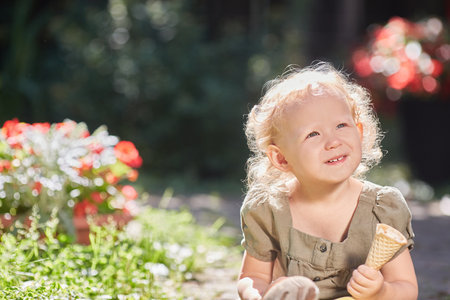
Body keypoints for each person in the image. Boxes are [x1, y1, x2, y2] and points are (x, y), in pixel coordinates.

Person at [237, 62, 418, 300]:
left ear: (360, 131)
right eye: (313, 134)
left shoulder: (382, 210)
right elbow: (253, 277)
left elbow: (406, 288)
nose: (333, 141)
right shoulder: (269, 209)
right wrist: (258, 295)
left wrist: (381, 291)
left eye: (341, 125)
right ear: (281, 158)